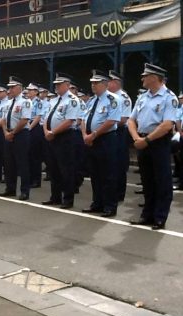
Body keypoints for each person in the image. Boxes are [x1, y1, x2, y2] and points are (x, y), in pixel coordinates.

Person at [128, 63, 178, 230]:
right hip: (142, 141)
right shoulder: (143, 97)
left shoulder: (168, 97)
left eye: (145, 76)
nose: (142, 78)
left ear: (155, 78)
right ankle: (147, 215)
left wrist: (147, 140)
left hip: (158, 143)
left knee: (162, 181)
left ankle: (159, 217)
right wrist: (136, 138)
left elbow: (167, 124)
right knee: (147, 181)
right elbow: (131, 120)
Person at [81, 70, 121, 217]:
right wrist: (85, 135)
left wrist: (94, 135)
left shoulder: (113, 99)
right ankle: (97, 203)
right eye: (92, 83)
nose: (93, 86)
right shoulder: (92, 100)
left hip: (106, 139)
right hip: (91, 139)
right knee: (95, 173)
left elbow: (111, 121)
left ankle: (110, 206)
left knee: (108, 174)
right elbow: (83, 119)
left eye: (96, 83)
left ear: (105, 84)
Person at [42, 73, 80, 209]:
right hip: (51, 137)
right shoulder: (53, 100)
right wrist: (47, 131)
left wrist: (53, 132)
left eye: (59, 84)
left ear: (67, 85)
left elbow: (69, 121)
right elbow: (46, 117)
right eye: (56, 84)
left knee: (66, 169)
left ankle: (68, 199)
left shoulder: (72, 100)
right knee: (53, 168)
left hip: (64, 137)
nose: (56, 87)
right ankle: (55, 196)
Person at [0, 76, 32, 200]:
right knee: (8, 163)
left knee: (22, 163)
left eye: (13, 87)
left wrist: (12, 133)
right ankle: (10, 188)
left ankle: (24, 191)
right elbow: (2, 120)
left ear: (20, 88)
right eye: (9, 87)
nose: (10, 89)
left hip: (20, 134)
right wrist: (5, 133)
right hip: (7, 134)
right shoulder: (7, 103)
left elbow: (24, 120)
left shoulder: (25, 102)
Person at [108, 70, 132, 201]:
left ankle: (119, 193)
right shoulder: (108, 97)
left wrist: (107, 122)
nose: (107, 84)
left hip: (119, 131)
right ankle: (111, 191)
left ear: (116, 82)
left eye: (109, 81)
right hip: (109, 131)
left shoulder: (124, 98)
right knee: (110, 163)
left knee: (119, 163)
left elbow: (123, 119)